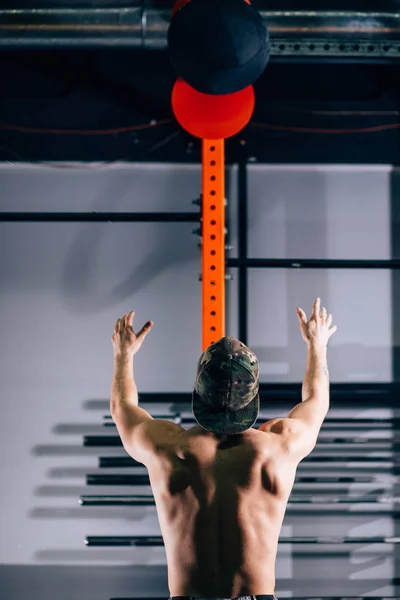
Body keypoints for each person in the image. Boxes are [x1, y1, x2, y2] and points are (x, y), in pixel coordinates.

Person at [110, 297, 337, 600]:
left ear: (199, 395)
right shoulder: (279, 446)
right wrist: (316, 344)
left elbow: (122, 407)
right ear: (252, 398)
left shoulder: (167, 447)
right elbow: (317, 402)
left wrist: (124, 355)